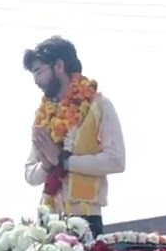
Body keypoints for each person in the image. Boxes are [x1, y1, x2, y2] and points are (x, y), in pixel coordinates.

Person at [22, 35, 125, 238]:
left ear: (59, 66)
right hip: (48, 220)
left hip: (85, 218)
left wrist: (64, 161)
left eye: (39, 71)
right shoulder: (43, 115)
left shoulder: (99, 105)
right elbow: (29, 175)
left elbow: (116, 161)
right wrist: (46, 164)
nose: (36, 81)